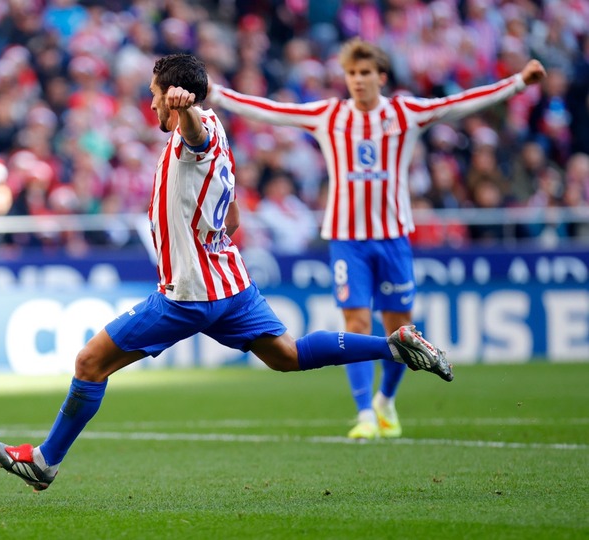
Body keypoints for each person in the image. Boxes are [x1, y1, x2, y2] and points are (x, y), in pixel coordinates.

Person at [0, 53, 453, 491]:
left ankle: (46, 461)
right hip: (232, 285)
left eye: (155, 94)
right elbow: (231, 220)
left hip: (188, 294)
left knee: (90, 362)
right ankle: (393, 346)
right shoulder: (216, 129)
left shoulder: (195, 132)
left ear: (175, 96)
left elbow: (195, 139)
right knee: (286, 354)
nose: (150, 103)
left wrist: (183, 111)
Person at [208, 39, 546, 440]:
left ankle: (386, 400)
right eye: (351, 74)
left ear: (381, 77)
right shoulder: (329, 115)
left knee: (400, 329)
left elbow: (460, 103)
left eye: (365, 73)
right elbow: (272, 111)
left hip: (393, 238)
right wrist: (218, 95)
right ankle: (365, 413)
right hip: (347, 239)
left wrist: (518, 83)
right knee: (356, 320)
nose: (358, 81)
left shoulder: (405, 113)